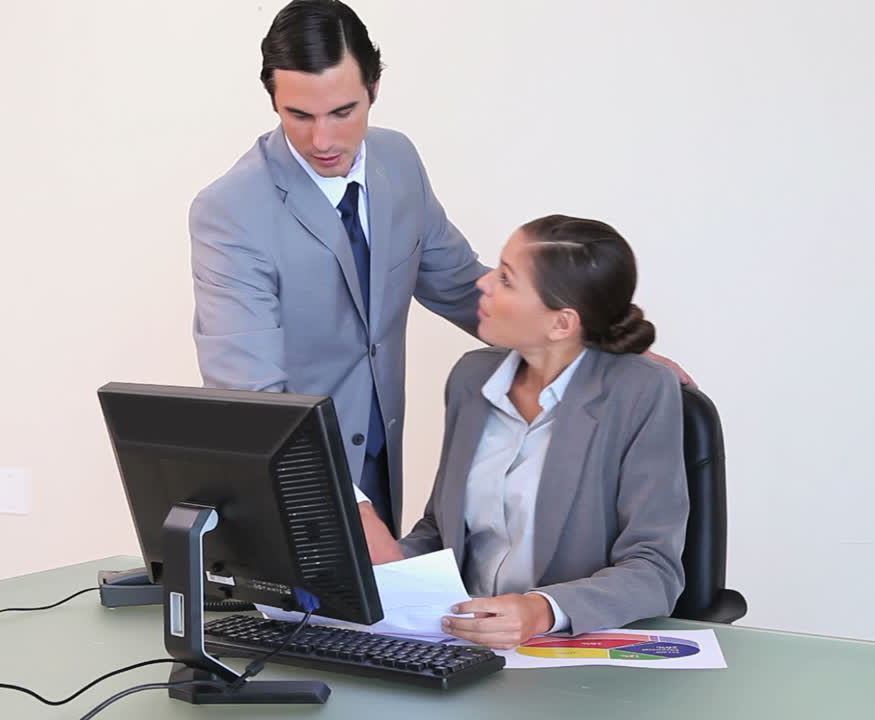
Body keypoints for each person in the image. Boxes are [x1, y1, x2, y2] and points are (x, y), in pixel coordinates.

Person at [190, 1, 690, 557]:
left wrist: (599, 346)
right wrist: (347, 504)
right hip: (297, 474)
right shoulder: (230, 211)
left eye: (343, 111)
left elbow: (457, 283)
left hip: (381, 457)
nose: (323, 140)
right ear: (274, 101)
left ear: (374, 88)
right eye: (299, 116)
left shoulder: (396, 161)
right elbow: (253, 399)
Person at [396, 215, 689, 649]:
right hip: (457, 640)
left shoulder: (639, 393)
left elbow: (653, 569)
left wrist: (542, 610)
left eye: (507, 280)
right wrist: (376, 571)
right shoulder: (471, 378)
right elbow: (440, 531)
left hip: (564, 652)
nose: (483, 284)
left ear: (561, 324)